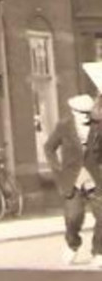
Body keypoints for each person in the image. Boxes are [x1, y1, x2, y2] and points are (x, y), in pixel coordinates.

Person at [45, 94, 102, 265]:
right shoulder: (64, 126)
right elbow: (49, 148)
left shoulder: (98, 126)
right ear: (73, 112)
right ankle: (72, 244)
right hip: (72, 180)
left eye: (88, 112)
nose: (86, 116)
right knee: (73, 217)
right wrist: (58, 171)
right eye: (81, 112)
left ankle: (98, 251)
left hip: (96, 179)